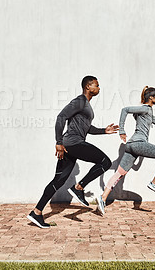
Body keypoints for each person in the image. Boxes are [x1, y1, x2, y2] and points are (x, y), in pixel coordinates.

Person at [27, 76, 119, 228]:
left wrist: (104, 130)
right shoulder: (80, 101)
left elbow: (87, 128)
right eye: (96, 85)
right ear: (88, 87)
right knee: (105, 162)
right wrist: (58, 142)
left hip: (71, 145)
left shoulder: (86, 105)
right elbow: (61, 117)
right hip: (73, 143)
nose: (99, 88)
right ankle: (79, 187)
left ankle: (36, 212)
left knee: (58, 181)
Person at [96, 86, 155, 215]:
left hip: (131, 146)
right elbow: (125, 109)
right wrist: (121, 130)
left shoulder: (147, 112)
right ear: (151, 97)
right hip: (138, 144)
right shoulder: (145, 109)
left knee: (119, 173)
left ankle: (103, 198)